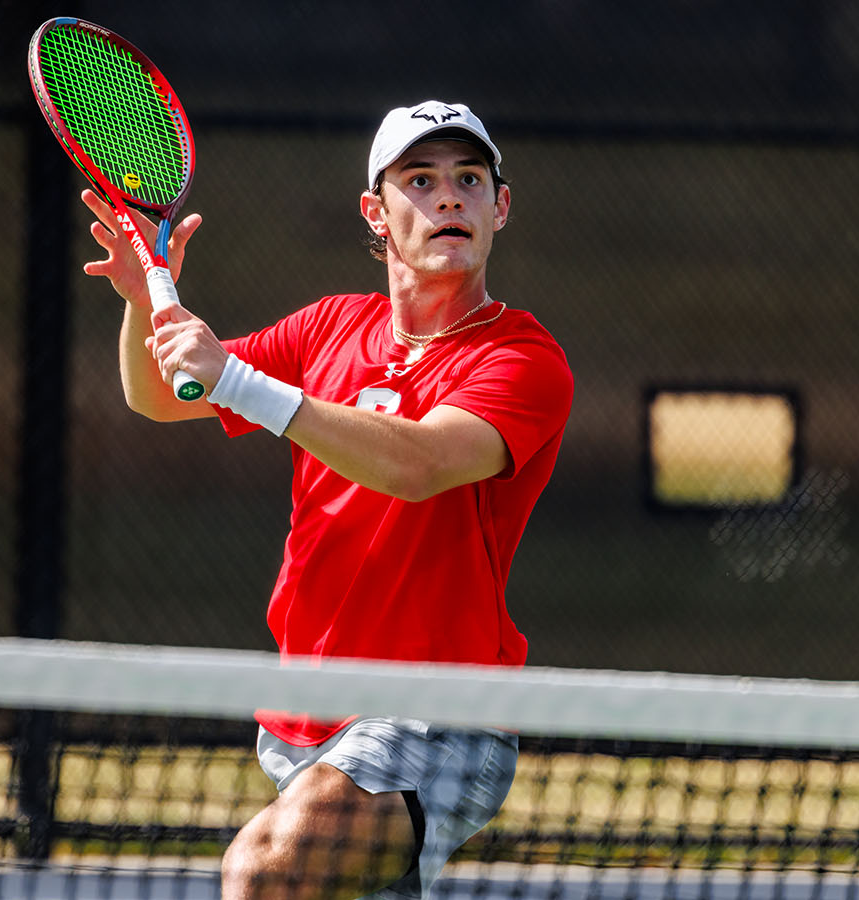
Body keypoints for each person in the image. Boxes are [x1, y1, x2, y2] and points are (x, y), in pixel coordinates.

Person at [81, 100, 573, 899]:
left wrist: (239, 379)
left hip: (439, 716)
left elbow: (419, 463)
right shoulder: (329, 329)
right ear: (375, 215)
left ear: (499, 206)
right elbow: (161, 398)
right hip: (302, 715)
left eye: (469, 179)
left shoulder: (524, 359)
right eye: (420, 180)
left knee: (263, 874)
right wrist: (146, 302)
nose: (449, 197)